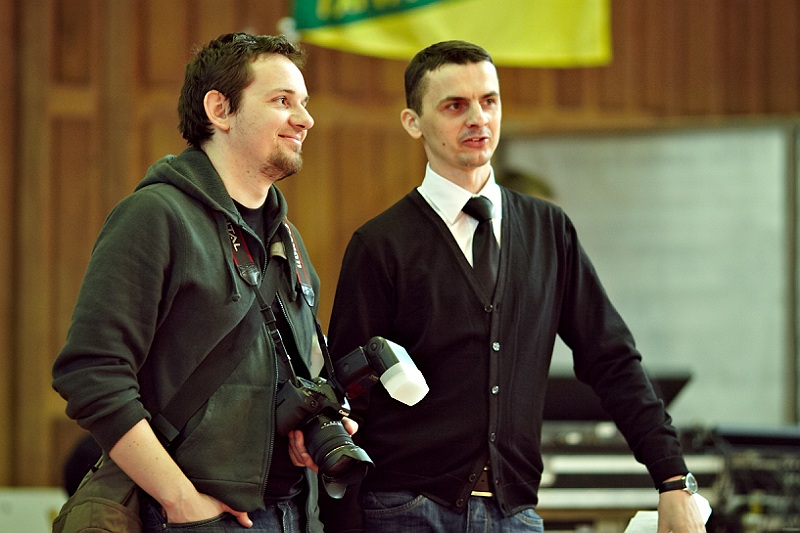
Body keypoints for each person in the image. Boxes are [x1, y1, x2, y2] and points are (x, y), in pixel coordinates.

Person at [320, 41, 706, 532]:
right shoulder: (380, 244)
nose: (478, 118)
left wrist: (673, 478)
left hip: (515, 514)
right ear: (413, 122)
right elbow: (346, 395)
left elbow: (611, 359)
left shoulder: (549, 231)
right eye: (455, 106)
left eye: (489, 100)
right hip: (405, 510)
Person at [52, 32, 329, 532]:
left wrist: (311, 425)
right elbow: (91, 373)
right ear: (220, 110)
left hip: (290, 514)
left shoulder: (288, 241)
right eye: (282, 101)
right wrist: (180, 500)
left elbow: (297, 372)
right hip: (187, 516)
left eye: (304, 103)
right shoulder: (155, 216)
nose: (305, 119)